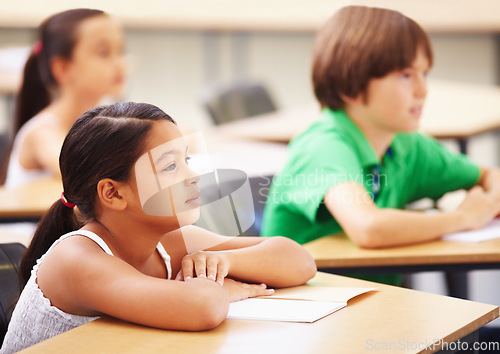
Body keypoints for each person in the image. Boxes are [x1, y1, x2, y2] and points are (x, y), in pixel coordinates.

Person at [0, 102, 316, 353]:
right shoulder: (76, 258)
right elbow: (203, 307)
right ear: (113, 193)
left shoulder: (168, 242)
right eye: (170, 166)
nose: (191, 176)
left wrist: (226, 262)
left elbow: (299, 261)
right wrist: (216, 287)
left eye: (186, 160)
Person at [261, 6, 500, 285]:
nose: (422, 90)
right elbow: (368, 228)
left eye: (424, 74)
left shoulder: (405, 145)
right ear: (350, 86)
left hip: (370, 306)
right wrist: (463, 217)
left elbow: (486, 175)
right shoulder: (324, 146)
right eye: (405, 75)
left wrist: (491, 198)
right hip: (309, 313)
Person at [2, 8, 126, 187]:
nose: (119, 63)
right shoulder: (41, 133)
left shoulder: (106, 121)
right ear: (61, 68)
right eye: (103, 52)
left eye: (121, 50)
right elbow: (83, 173)